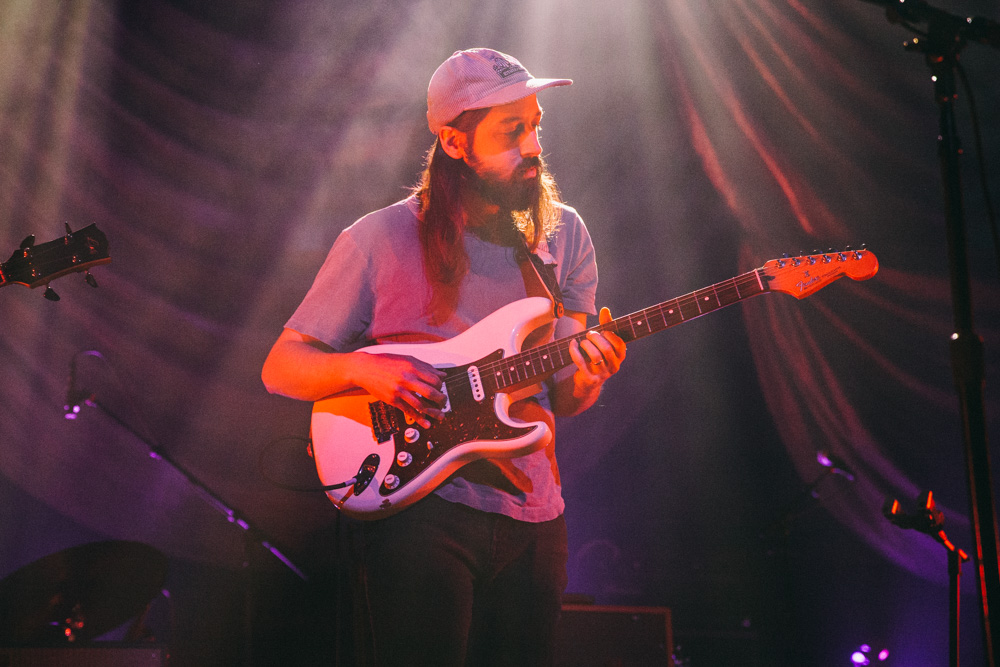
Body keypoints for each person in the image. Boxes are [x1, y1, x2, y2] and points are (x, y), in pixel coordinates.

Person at [262, 47, 626, 667]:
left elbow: (565, 396)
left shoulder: (565, 236)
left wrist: (592, 373)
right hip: (420, 511)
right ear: (455, 145)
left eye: (535, 124)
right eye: (512, 132)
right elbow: (282, 366)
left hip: (536, 513)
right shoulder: (377, 239)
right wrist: (361, 368)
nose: (533, 146)